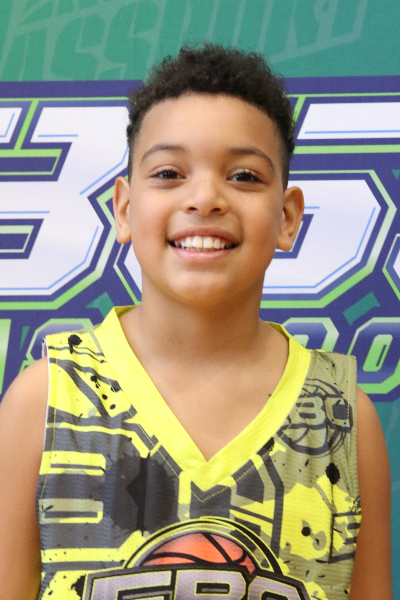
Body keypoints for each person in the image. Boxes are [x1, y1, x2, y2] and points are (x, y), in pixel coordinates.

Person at [0, 45, 392, 600]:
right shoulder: (42, 401)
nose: (205, 198)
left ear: (287, 218)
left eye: (244, 176)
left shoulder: (344, 417)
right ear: (124, 209)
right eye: (169, 173)